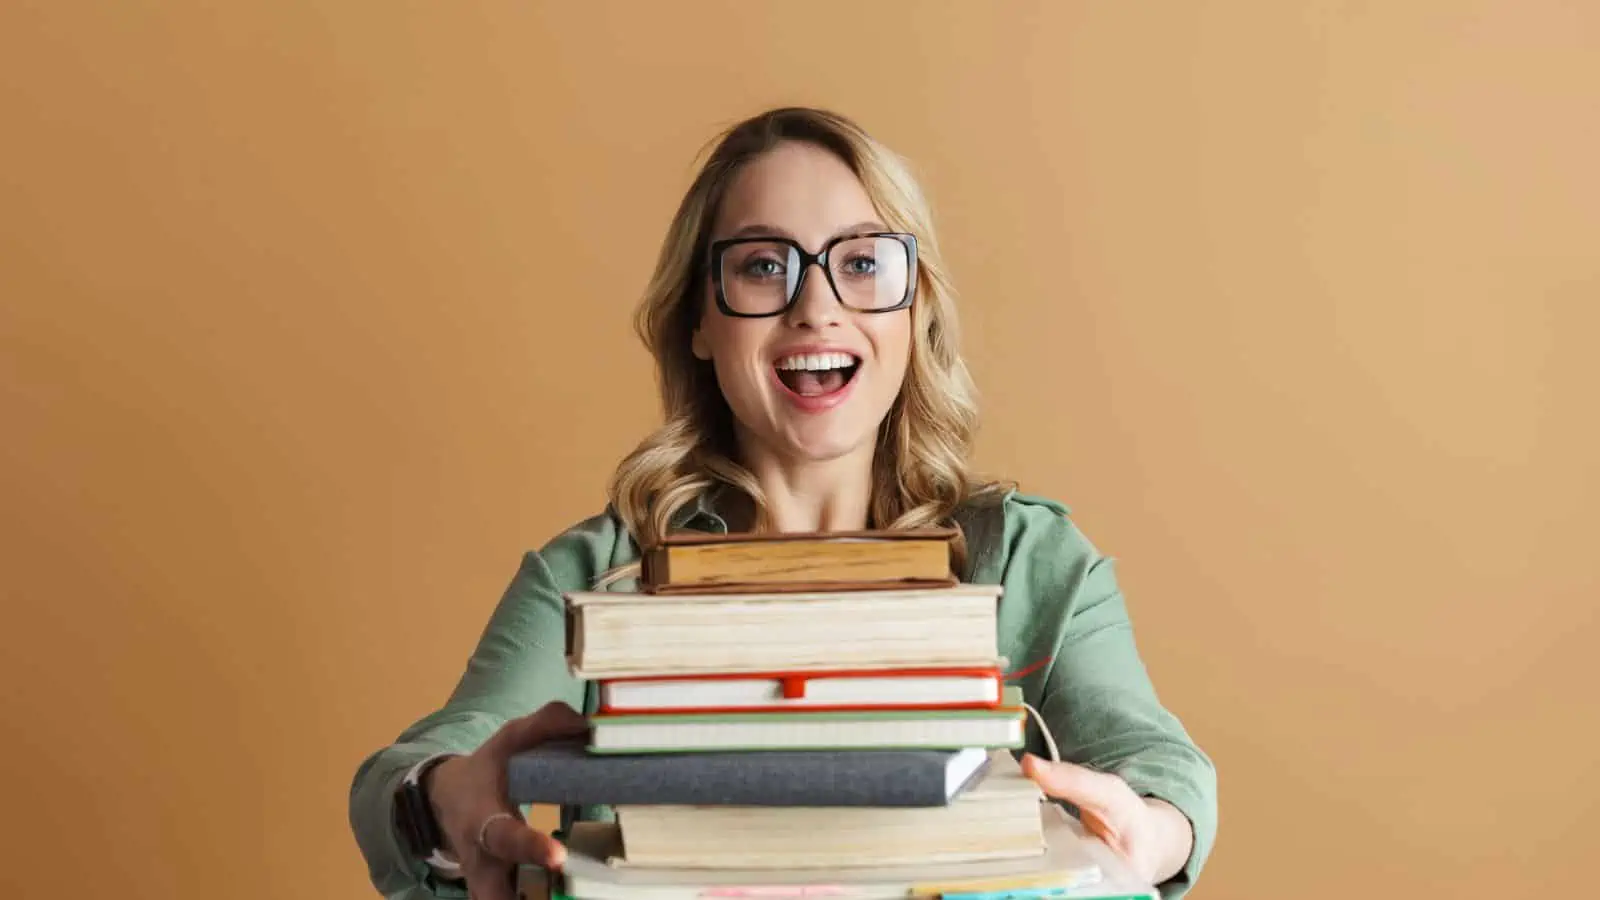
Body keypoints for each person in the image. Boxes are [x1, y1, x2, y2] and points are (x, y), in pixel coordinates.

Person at [348, 106, 1218, 900]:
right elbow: (418, 766)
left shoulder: (1029, 562)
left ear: (914, 309)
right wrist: (439, 801)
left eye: (863, 263)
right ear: (699, 317)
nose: (815, 306)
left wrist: (1154, 831)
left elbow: (1159, 768)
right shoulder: (599, 578)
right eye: (764, 266)